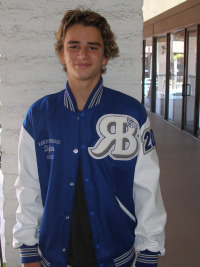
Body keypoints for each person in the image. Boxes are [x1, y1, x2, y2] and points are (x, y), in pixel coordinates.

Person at [13, 8, 167, 267]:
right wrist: (28, 250)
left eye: (92, 47)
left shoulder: (132, 113)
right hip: (53, 257)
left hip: (117, 255)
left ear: (105, 56)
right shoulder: (38, 116)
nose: (82, 54)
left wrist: (149, 252)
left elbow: (147, 187)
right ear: (61, 54)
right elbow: (28, 187)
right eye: (73, 46)